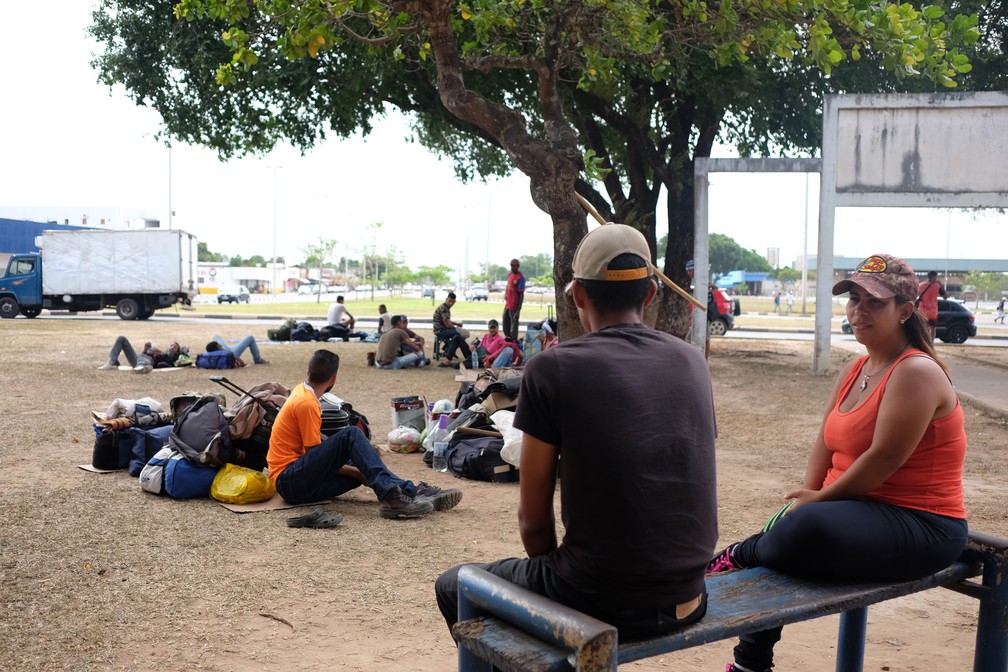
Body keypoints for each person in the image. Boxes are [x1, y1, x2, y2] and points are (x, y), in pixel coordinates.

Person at [436, 224, 718, 640]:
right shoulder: (692, 360)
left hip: (599, 597)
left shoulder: (553, 368)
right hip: (690, 598)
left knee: (452, 585)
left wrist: (555, 596)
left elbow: (533, 524)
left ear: (579, 295)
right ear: (651, 293)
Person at [710, 253, 968, 672]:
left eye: (874, 302)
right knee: (793, 525)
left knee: (804, 530)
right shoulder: (856, 368)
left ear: (905, 310)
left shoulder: (916, 372)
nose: (858, 311)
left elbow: (883, 460)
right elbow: (825, 443)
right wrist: (805, 499)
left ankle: (743, 553)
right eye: (854, 299)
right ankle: (751, 662)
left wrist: (818, 502)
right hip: (856, 510)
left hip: (923, 523)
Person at [267, 349, 462, 519]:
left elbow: (317, 458)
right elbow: (313, 455)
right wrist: (358, 472)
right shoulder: (306, 403)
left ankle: (412, 491)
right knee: (351, 435)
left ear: (308, 371)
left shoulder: (302, 391)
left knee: (366, 463)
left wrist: (360, 470)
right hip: (289, 481)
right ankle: (392, 497)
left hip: (297, 482)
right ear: (333, 378)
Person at [98, 336, 186, 373]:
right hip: (139, 358)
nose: (171, 347)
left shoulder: (170, 359)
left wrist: (158, 351)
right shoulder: (161, 352)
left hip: (148, 361)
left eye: (174, 347)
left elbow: (164, 363)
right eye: (171, 345)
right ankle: (111, 363)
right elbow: (143, 355)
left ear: (177, 352)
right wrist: (145, 349)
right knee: (122, 339)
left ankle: (140, 369)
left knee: (143, 361)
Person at [432, 292, 472, 366]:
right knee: (461, 334)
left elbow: (447, 321)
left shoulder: (444, 307)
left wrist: (456, 324)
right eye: (449, 301)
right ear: (446, 299)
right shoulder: (444, 309)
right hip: (440, 330)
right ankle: (449, 351)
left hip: (441, 329)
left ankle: (448, 350)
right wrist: (456, 328)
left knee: (459, 335)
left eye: (453, 302)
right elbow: (447, 324)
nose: (451, 303)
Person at [917, 271, 948, 340]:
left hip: (922, 311)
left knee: (923, 328)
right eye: (936, 277)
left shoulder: (920, 285)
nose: (937, 279)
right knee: (933, 329)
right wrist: (941, 285)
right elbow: (945, 297)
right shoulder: (937, 286)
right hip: (932, 312)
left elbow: (915, 295)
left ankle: (923, 343)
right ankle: (931, 344)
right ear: (933, 277)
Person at [502, 258, 526, 342]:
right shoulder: (510, 275)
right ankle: (508, 337)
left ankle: (514, 341)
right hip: (508, 304)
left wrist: (518, 310)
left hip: (515, 306)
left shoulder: (520, 278)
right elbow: (508, 285)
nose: (512, 267)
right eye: (511, 265)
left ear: (518, 266)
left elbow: (521, 294)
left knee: (514, 324)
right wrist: (505, 294)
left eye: (514, 265)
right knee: (505, 322)